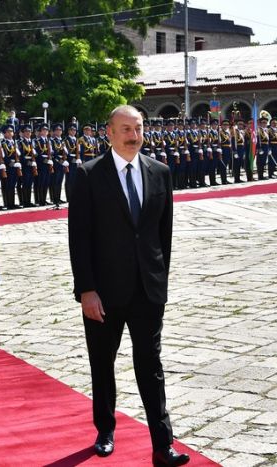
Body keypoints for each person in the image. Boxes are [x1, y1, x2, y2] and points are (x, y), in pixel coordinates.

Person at [68, 105, 189, 467]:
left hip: (147, 291)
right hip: (103, 294)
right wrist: (86, 290)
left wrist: (160, 280)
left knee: (150, 364)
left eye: (137, 128)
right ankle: (105, 429)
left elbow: (162, 235)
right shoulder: (88, 175)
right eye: (125, 129)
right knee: (102, 364)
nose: (133, 135)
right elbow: (80, 238)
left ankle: (161, 444)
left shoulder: (160, 172)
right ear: (109, 132)